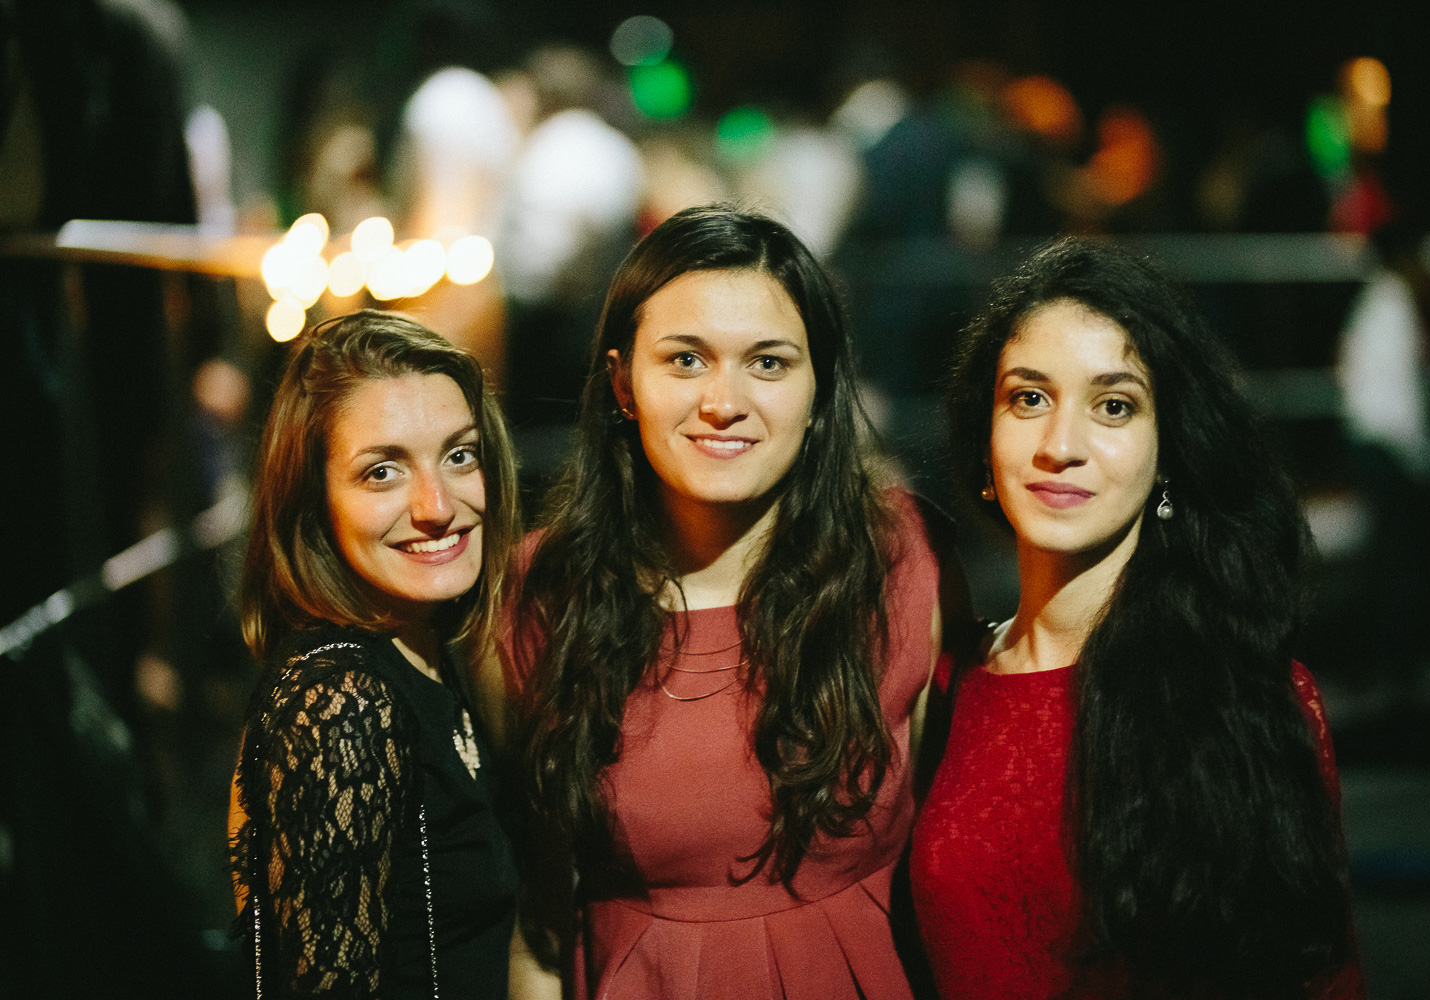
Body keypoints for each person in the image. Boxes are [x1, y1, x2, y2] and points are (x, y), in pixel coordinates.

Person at [505, 205, 942, 999]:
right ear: (621, 383)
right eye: (685, 360)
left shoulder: (896, 559)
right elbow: (530, 913)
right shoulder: (541, 592)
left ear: (818, 392)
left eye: (769, 363)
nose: (724, 401)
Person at [911, 238, 1363, 999]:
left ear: (1168, 454)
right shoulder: (937, 688)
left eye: (1113, 406)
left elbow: (1323, 980)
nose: (1061, 445)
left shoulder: (1251, 700)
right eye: (1028, 398)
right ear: (984, 440)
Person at [228, 311, 523, 998]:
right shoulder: (343, 700)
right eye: (382, 472)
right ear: (313, 503)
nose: (435, 506)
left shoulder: (426, 652)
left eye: (459, 455)